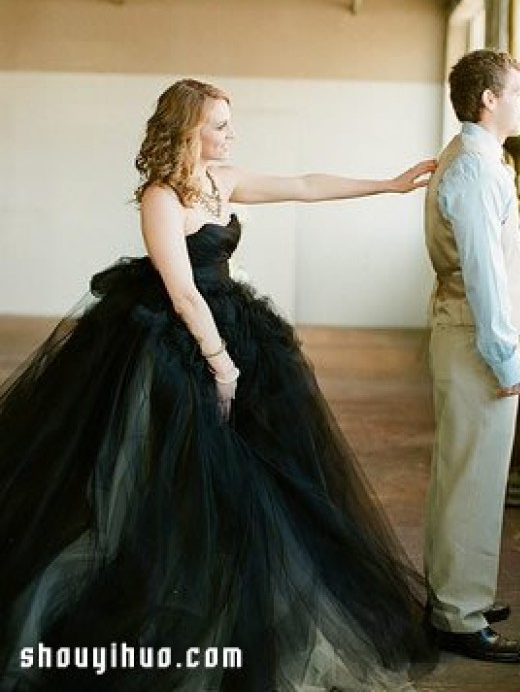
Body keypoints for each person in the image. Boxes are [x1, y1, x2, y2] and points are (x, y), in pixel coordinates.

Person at [0, 78, 437, 692]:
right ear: (188, 130)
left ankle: (237, 594)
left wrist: (387, 183)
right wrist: (220, 364)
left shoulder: (221, 181)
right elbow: (180, 291)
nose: (232, 135)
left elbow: (305, 186)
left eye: (231, 124)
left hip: (234, 326)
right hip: (178, 342)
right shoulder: (162, 196)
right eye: (221, 126)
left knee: (254, 470)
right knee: (175, 471)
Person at [423, 49, 520, 664]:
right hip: (475, 336)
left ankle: (455, 592)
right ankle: (457, 616)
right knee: (472, 478)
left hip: (465, 330)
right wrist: (505, 356)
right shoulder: (475, 168)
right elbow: (484, 274)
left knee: (466, 472)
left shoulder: (471, 157)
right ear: (488, 99)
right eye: (518, 92)